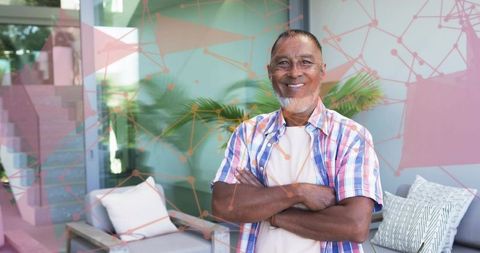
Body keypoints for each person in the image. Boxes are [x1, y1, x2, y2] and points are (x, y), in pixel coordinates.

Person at [211, 29, 383, 253]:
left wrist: (268, 209)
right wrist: (298, 192)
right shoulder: (248, 133)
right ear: (270, 72)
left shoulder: (351, 136)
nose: (294, 73)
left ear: (322, 71)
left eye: (306, 62)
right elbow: (223, 205)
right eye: (283, 63)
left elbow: (354, 225)